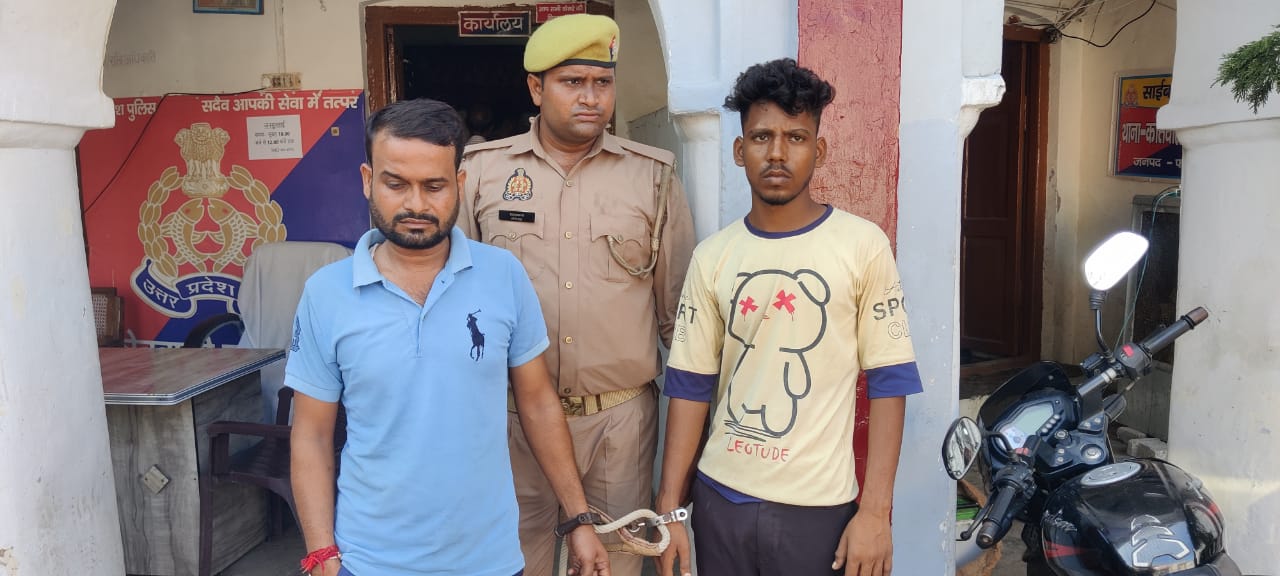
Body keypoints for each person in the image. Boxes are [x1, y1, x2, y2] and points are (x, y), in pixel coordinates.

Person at [287, 98, 611, 576]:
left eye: (434, 186)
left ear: (459, 183)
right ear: (367, 180)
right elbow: (312, 434)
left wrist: (578, 517)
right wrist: (320, 552)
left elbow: (539, 404)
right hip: (369, 561)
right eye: (396, 184)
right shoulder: (326, 294)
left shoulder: (502, 275)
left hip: (489, 560)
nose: (416, 205)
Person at [655, 58, 924, 576]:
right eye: (762, 137)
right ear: (740, 150)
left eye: (795, 138)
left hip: (817, 510)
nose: (777, 153)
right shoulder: (713, 257)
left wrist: (875, 513)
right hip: (720, 501)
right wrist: (670, 508)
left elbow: (890, 382)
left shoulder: (862, 245)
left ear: (818, 151)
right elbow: (689, 385)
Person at [458, 13, 695, 576]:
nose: (591, 98)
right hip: (514, 422)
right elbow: (456, 304)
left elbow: (680, 323)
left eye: (602, 82)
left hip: (619, 423)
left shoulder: (653, 177)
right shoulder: (482, 174)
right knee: (517, 563)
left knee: (615, 564)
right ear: (536, 88)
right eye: (572, 82)